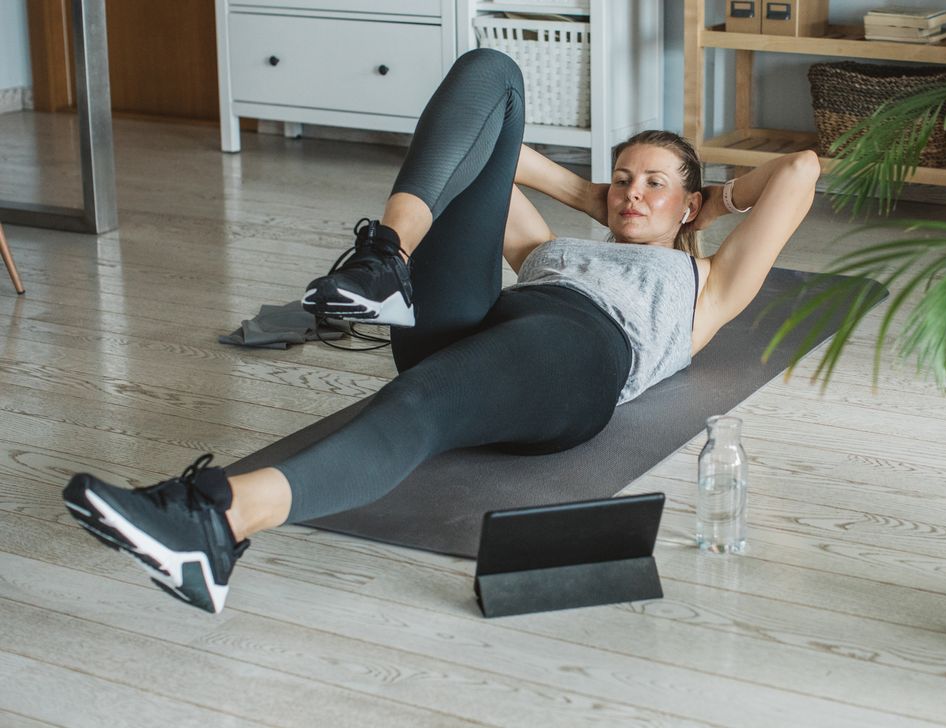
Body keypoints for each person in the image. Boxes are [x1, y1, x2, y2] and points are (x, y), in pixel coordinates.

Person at [62, 49, 820, 614]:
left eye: (655, 183)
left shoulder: (706, 286)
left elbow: (800, 171)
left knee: (422, 404)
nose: (632, 192)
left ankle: (220, 521)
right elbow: (490, 145)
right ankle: (383, 260)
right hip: (486, 324)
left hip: (575, 358)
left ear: (689, 205)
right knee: (490, 71)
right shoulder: (551, 248)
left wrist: (705, 206)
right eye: (623, 177)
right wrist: (587, 197)